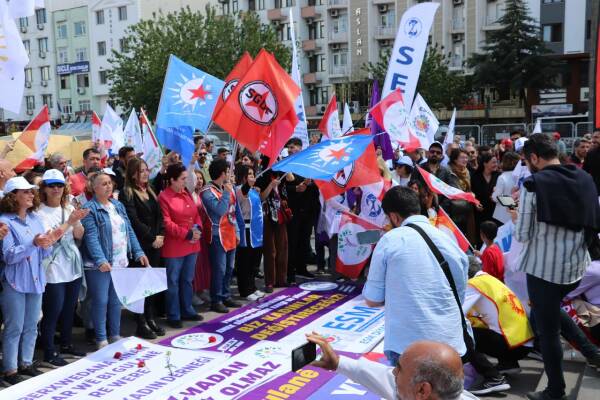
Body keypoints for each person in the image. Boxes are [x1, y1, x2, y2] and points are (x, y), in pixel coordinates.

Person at [516, 133, 600, 400]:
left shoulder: (533, 185)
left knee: (548, 330)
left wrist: (516, 214)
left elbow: (522, 235)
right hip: (576, 266)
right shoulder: (583, 177)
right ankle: (593, 353)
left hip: (544, 270)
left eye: (526, 160)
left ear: (534, 158)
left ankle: (555, 391)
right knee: (549, 310)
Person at [363, 186, 469, 364]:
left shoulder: (390, 239)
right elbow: (459, 292)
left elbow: (373, 299)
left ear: (394, 217)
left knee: (408, 383)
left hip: (407, 346)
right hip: (450, 344)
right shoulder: (447, 238)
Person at [0, 177, 60, 384]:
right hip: (14, 281)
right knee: (14, 327)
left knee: (32, 325)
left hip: (35, 279)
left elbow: (43, 252)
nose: (30, 194)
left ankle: (26, 363)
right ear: (13, 196)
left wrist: (47, 243)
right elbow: (9, 256)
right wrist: (33, 243)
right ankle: (10, 370)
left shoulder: (35, 219)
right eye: (25, 191)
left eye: (30, 191)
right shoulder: (5, 221)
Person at [81, 171, 149, 348]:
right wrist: (100, 260)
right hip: (100, 265)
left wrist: (138, 251)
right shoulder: (89, 209)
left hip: (120, 261)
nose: (108, 186)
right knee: (101, 301)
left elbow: (129, 230)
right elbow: (91, 237)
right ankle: (101, 338)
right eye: (103, 184)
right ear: (94, 188)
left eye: (110, 183)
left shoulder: (118, 205)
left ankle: (115, 334)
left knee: (115, 301)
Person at [307, 333, 478, 400]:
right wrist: (337, 362)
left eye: (399, 369)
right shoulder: (419, 392)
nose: (393, 372)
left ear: (422, 390)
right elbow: (380, 375)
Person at [37, 170, 89, 366]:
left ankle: (66, 343)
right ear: (44, 188)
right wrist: (70, 222)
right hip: (53, 266)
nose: (56, 189)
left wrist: (78, 220)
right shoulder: (39, 212)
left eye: (59, 185)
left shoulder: (68, 207)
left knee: (69, 308)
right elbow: (50, 239)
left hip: (72, 264)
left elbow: (79, 235)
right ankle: (49, 350)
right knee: (53, 310)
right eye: (51, 185)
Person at [119, 158, 166, 338]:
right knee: (140, 286)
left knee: (152, 284)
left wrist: (160, 235)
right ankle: (141, 323)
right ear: (133, 174)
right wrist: (152, 238)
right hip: (141, 246)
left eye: (147, 170)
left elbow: (160, 216)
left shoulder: (150, 190)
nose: (146, 173)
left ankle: (150, 317)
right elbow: (133, 220)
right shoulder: (127, 193)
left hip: (156, 244)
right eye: (142, 170)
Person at [158, 163, 204, 328]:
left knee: (187, 280)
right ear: (172, 180)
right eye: (183, 178)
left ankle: (187, 310)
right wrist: (187, 234)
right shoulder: (164, 197)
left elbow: (196, 215)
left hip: (191, 244)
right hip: (175, 246)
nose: (186, 181)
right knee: (173, 282)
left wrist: (197, 229)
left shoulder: (186, 193)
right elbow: (166, 223)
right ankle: (173, 315)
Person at [201, 159, 241, 313]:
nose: (231, 174)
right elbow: (220, 210)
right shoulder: (207, 191)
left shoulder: (228, 188)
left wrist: (237, 231)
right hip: (217, 235)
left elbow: (233, 211)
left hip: (230, 232)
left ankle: (226, 295)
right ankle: (216, 300)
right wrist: (226, 192)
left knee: (230, 268)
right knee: (220, 269)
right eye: (229, 171)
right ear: (223, 173)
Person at [284, 138, 319, 283]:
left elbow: (318, 183)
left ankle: (302, 268)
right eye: (289, 147)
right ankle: (290, 272)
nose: (290, 150)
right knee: (292, 242)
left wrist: (310, 184)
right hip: (293, 210)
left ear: (300, 147)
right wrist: (296, 188)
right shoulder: (285, 164)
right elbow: (283, 187)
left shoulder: (307, 163)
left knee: (304, 241)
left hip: (308, 210)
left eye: (293, 147)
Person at [256, 157, 288, 294]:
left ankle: (281, 279)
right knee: (270, 251)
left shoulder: (281, 173)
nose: (277, 161)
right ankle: (270, 281)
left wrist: (287, 167)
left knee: (282, 248)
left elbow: (290, 180)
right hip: (267, 216)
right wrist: (271, 185)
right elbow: (261, 197)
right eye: (275, 159)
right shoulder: (262, 176)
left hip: (280, 215)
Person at [234, 164, 265, 301]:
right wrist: (248, 184)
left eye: (253, 174)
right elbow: (244, 191)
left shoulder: (254, 190)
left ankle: (252, 287)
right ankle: (245, 290)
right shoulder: (239, 189)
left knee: (254, 262)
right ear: (244, 177)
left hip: (256, 230)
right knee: (245, 262)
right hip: (246, 230)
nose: (253, 176)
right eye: (250, 174)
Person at [448, 148, 477, 245]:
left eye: (466, 157)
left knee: (466, 240)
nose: (465, 160)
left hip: (466, 210)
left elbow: (468, 189)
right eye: (462, 158)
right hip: (453, 212)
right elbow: (450, 192)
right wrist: (468, 196)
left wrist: (472, 197)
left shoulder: (467, 172)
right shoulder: (448, 172)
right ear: (455, 160)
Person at [471, 154, 500, 239]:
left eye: (496, 162)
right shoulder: (475, 177)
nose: (496, 164)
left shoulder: (499, 176)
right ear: (485, 163)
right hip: (481, 212)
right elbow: (472, 193)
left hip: (495, 212)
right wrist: (476, 203)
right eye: (493, 162)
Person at [491, 152, 520, 224]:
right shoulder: (521, 176)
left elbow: (496, 198)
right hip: (517, 214)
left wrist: (494, 191)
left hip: (502, 216)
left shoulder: (502, 177)